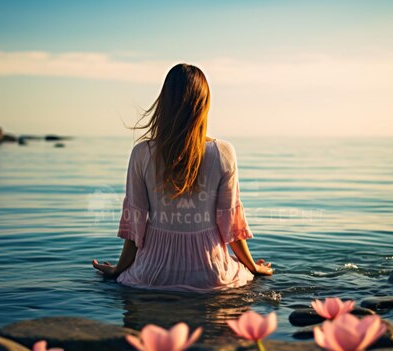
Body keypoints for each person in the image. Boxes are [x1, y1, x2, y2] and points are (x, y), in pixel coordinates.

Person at [92, 63, 273, 292]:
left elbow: (135, 222)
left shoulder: (142, 153)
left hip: (152, 275)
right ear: (203, 105)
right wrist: (252, 268)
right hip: (211, 275)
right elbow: (229, 222)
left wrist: (119, 269)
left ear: (164, 103)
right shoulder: (224, 152)